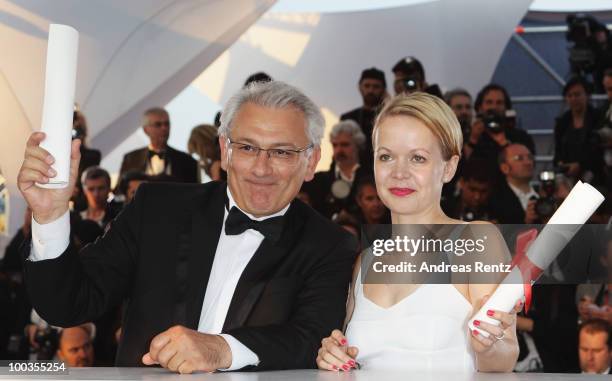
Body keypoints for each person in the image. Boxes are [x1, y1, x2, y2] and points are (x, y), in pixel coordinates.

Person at [18, 81, 356, 372]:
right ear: (224, 150)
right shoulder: (157, 209)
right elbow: (67, 304)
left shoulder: (331, 245)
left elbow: (313, 338)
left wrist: (221, 349)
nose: (261, 168)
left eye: (282, 152)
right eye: (248, 147)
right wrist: (49, 217)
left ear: (310, 161)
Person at [316, 92, 520, 372]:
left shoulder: (477, 240)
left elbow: (505, 357)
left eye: (418, 158)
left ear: (449, 167)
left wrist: (490, 346)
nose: (399, 172)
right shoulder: (365, 261)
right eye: (386, 156)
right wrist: (333, 355)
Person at [303, 120, 370, 219]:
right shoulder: (317, 181)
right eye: (335, 145)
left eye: (345, 144)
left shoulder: (372, 178)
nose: (339, 150)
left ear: (357, 146)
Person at [118, 107, 198, 185]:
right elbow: (121, 189)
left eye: (167, 124)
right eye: (158, 124)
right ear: (146, 130)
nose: (164, 128)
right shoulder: (131, 158)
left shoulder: (186, 160)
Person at [553, 76, 602, 182]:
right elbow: (557, 152)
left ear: (587, 95)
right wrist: (560, 163)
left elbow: (599, 153)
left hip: (595, 175)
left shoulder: (598, 118)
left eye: (577, 95)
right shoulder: (562, 123)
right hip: (568, 175)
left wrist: (581, 165)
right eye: (569, 95)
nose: (573, 99)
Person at [340, 67, 387, 168]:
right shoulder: (348, 118)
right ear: (360, 87)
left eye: (376, 87)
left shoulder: (390, 117)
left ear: (383, 89)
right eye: (367, 86)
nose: (370, 90)